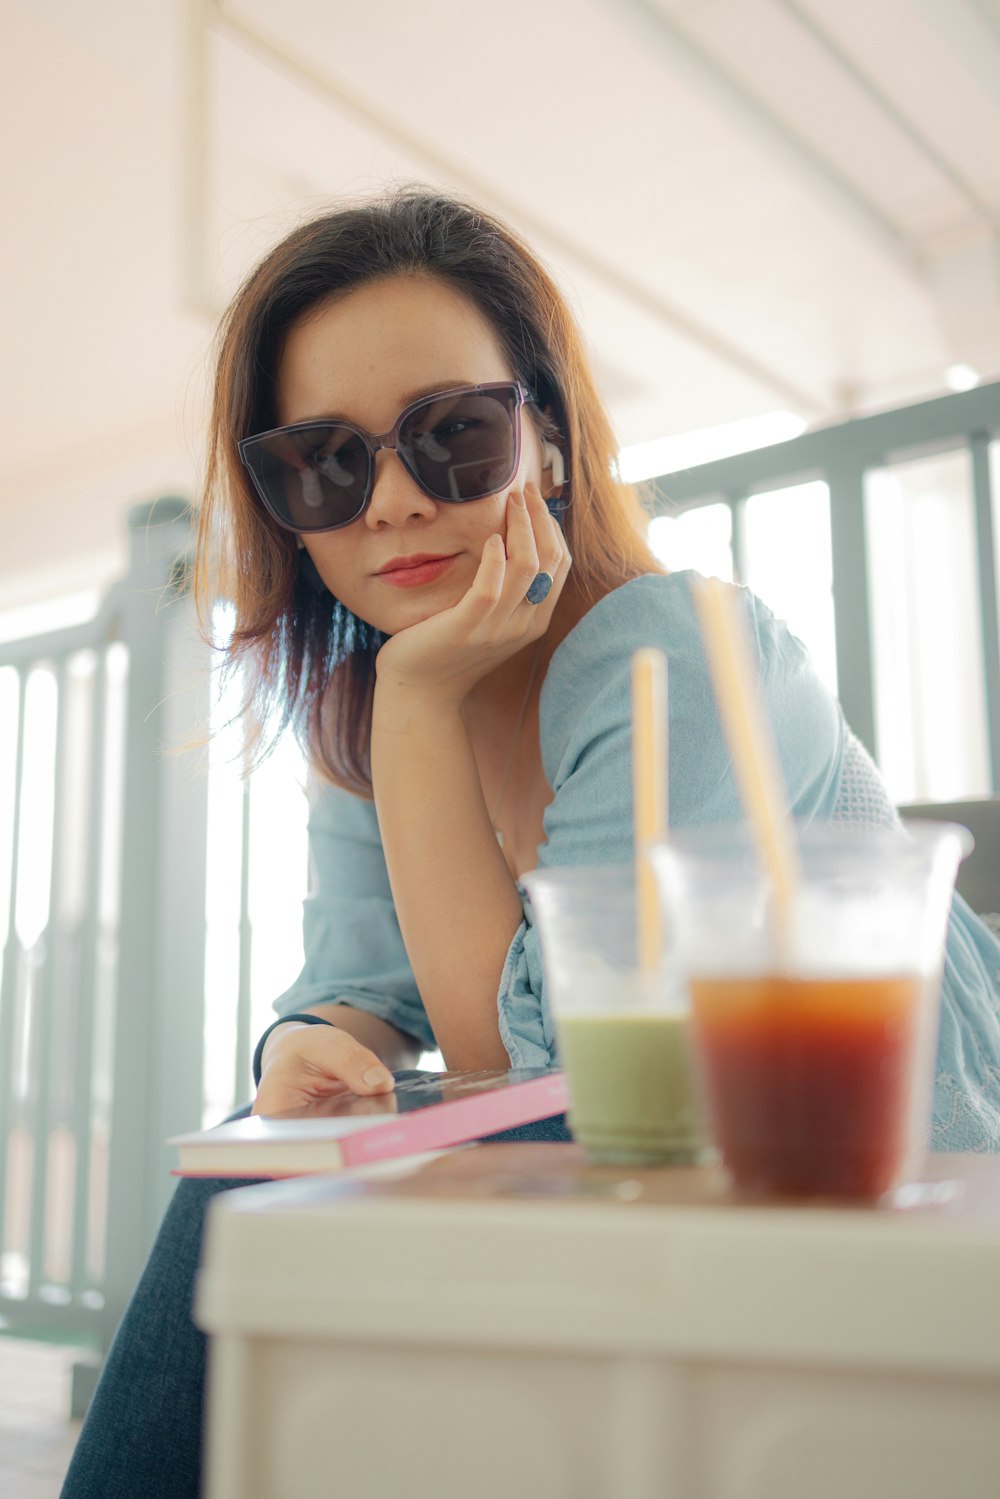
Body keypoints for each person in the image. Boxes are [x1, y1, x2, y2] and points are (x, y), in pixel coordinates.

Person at [62, 187, 1000, 1497]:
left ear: (546, 444)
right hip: (673, 1170)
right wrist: (311, 1049)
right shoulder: (384, 703)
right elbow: (353, 988)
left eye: (449, 434)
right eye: (322, 461)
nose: (386, 502)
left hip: (900, 1171)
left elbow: (555, 1081)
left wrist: (425, 705)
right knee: (259, 1151)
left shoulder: (667, 654)